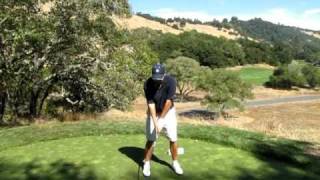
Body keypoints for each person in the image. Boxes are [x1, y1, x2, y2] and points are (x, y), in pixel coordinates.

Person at [142, 63, 183, 177]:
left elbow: (169, 102)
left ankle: (175, 163)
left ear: (164, 75)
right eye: (155, 79)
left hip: (168, 112)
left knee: (173, 138)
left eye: (159, 79)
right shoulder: (147, 84)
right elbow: (150, 104)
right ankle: (147, 162)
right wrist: (155, 122)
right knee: (151, 139)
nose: (156, 82)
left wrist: (161, 120)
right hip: (154, 112)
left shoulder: (171, 81)